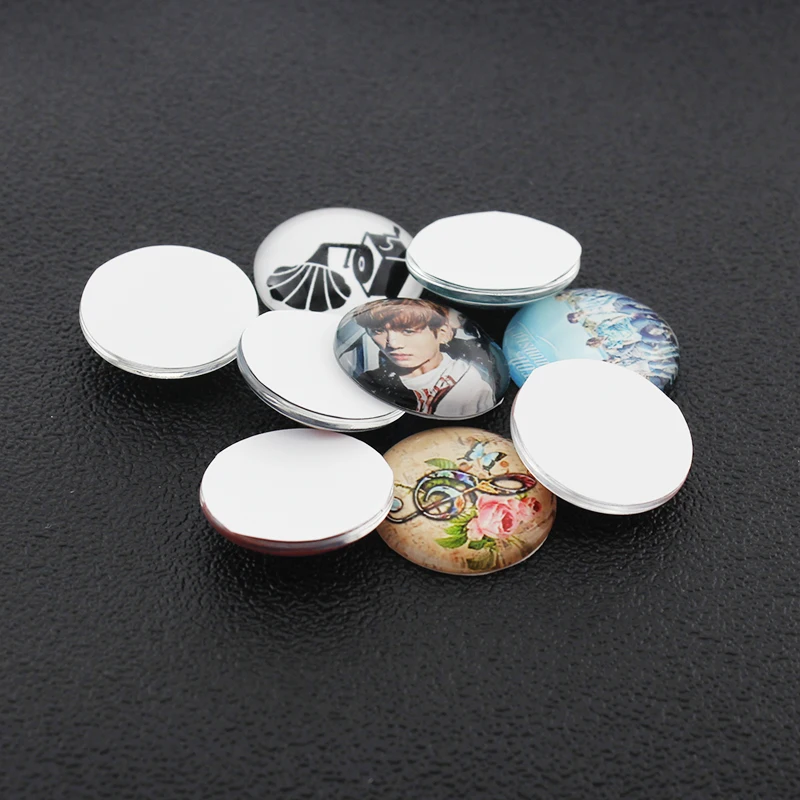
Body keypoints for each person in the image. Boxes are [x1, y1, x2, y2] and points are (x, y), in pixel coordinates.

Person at [353, 298, 496, 417]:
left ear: (443, 333)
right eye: (378, 331)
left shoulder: (472, 386)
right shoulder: (370, 380)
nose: (393, 344)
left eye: (408, 331)